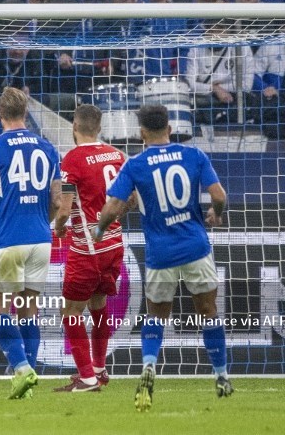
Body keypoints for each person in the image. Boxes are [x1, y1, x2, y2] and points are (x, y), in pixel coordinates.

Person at [94, 104, 233, 412]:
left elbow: (114, 205)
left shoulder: (135, 164)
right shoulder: (195, 155)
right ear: (170, 129)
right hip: (196, 247)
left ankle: (148, 366)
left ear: (142, 133)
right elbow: (220, 196)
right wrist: (215, 214)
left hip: (160, 253)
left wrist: (100, 230)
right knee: (208, 312)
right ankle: (222, 376)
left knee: (156, 316)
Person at [0, 86, 62, 399]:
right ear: (26, 113)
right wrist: (42, 223)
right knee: (28, 310)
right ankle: (28, 379)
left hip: (8, 239)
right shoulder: (48, 148)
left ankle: (22, 368)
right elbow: (57, 200)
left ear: (0, 114)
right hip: (41, 239)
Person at [52, 104, 126, 392]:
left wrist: (59, 227)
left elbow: (64, 208)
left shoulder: (72, 160)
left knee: (69, 311)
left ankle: (87, 378)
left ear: (74, 126)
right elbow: (128, 198)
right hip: (114, 242)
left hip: (88, 249)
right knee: (98, 304)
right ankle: (98, 368)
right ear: (99, 127)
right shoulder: (117, 156)